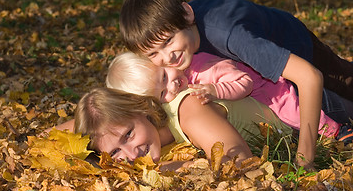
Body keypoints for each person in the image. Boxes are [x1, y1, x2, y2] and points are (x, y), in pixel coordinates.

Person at [118, 0, 353, 168]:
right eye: (153, 53)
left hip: (298, 51)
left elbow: (309, 77)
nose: (167, 57)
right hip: (262, 74)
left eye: (168, 42)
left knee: (344, 88)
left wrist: (305, 158)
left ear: (187, 14)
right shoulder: (181, 37)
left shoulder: (231, 36)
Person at [106, 51, 352, 141]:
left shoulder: (202, 67)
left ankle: (337, 132)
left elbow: (243, 83)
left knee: (299, 114)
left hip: (272, 91)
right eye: (161, 94)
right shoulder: (182, 86)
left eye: (164, 77)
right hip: (262, 103)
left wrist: (216, 90)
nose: (171, 87)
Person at [73, 87, 291, 167]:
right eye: (114, 152)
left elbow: (241, 163)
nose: (132, 154)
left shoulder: (189, 111)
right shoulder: (152, 134)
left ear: (141, 109)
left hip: (298, 124)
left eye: (128, 135)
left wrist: (180, 167)